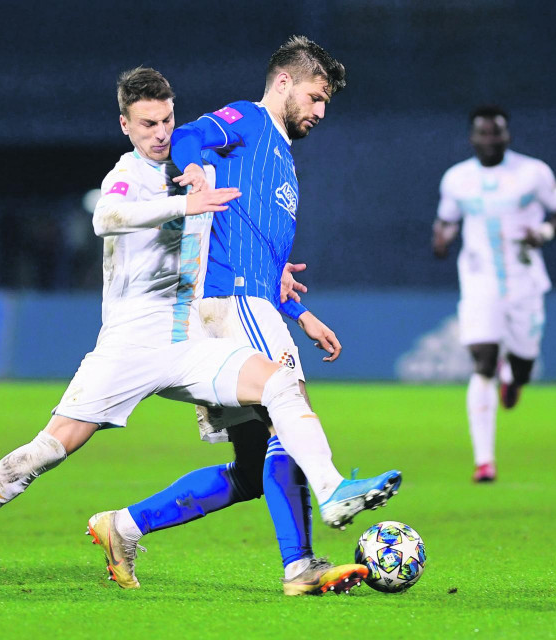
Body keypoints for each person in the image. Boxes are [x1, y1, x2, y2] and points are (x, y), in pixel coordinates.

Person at [0, 65, 399, 594]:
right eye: (148, 123)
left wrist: (284, 292)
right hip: (127, 349)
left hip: (189, 344)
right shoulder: (128, 174)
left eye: (167, 120)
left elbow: (227, 252)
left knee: (278, 385)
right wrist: (185, 203)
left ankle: (329, 491)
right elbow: (104, 219)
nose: (160, 133)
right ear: (125, 125)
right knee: (43, 452)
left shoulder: (193, 168)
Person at [88, 36, 401, 594]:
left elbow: (259, 252)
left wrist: (298, 311)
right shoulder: (251, 122)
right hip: (234, 303)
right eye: (316, 96)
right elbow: (188, 136)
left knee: (253, 471)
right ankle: (306, 549)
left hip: (251, 301)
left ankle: (124, 525)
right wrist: (194, 174)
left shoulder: (279, 156)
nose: (321, 111)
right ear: (285, 83)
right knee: (289, 403)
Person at [432, 104, 556, 482]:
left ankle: (515, 378)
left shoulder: (532, 172)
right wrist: (442, 239)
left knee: (524, 364)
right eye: (484, 133)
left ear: (507, 136)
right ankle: (484, 461)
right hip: (480, 281)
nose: (490, 140)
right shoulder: (457, 179)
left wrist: (543, 233)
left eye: (497, 133)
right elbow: (446, 222)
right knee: (482, 360)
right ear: (472, 137)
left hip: (525, 281)